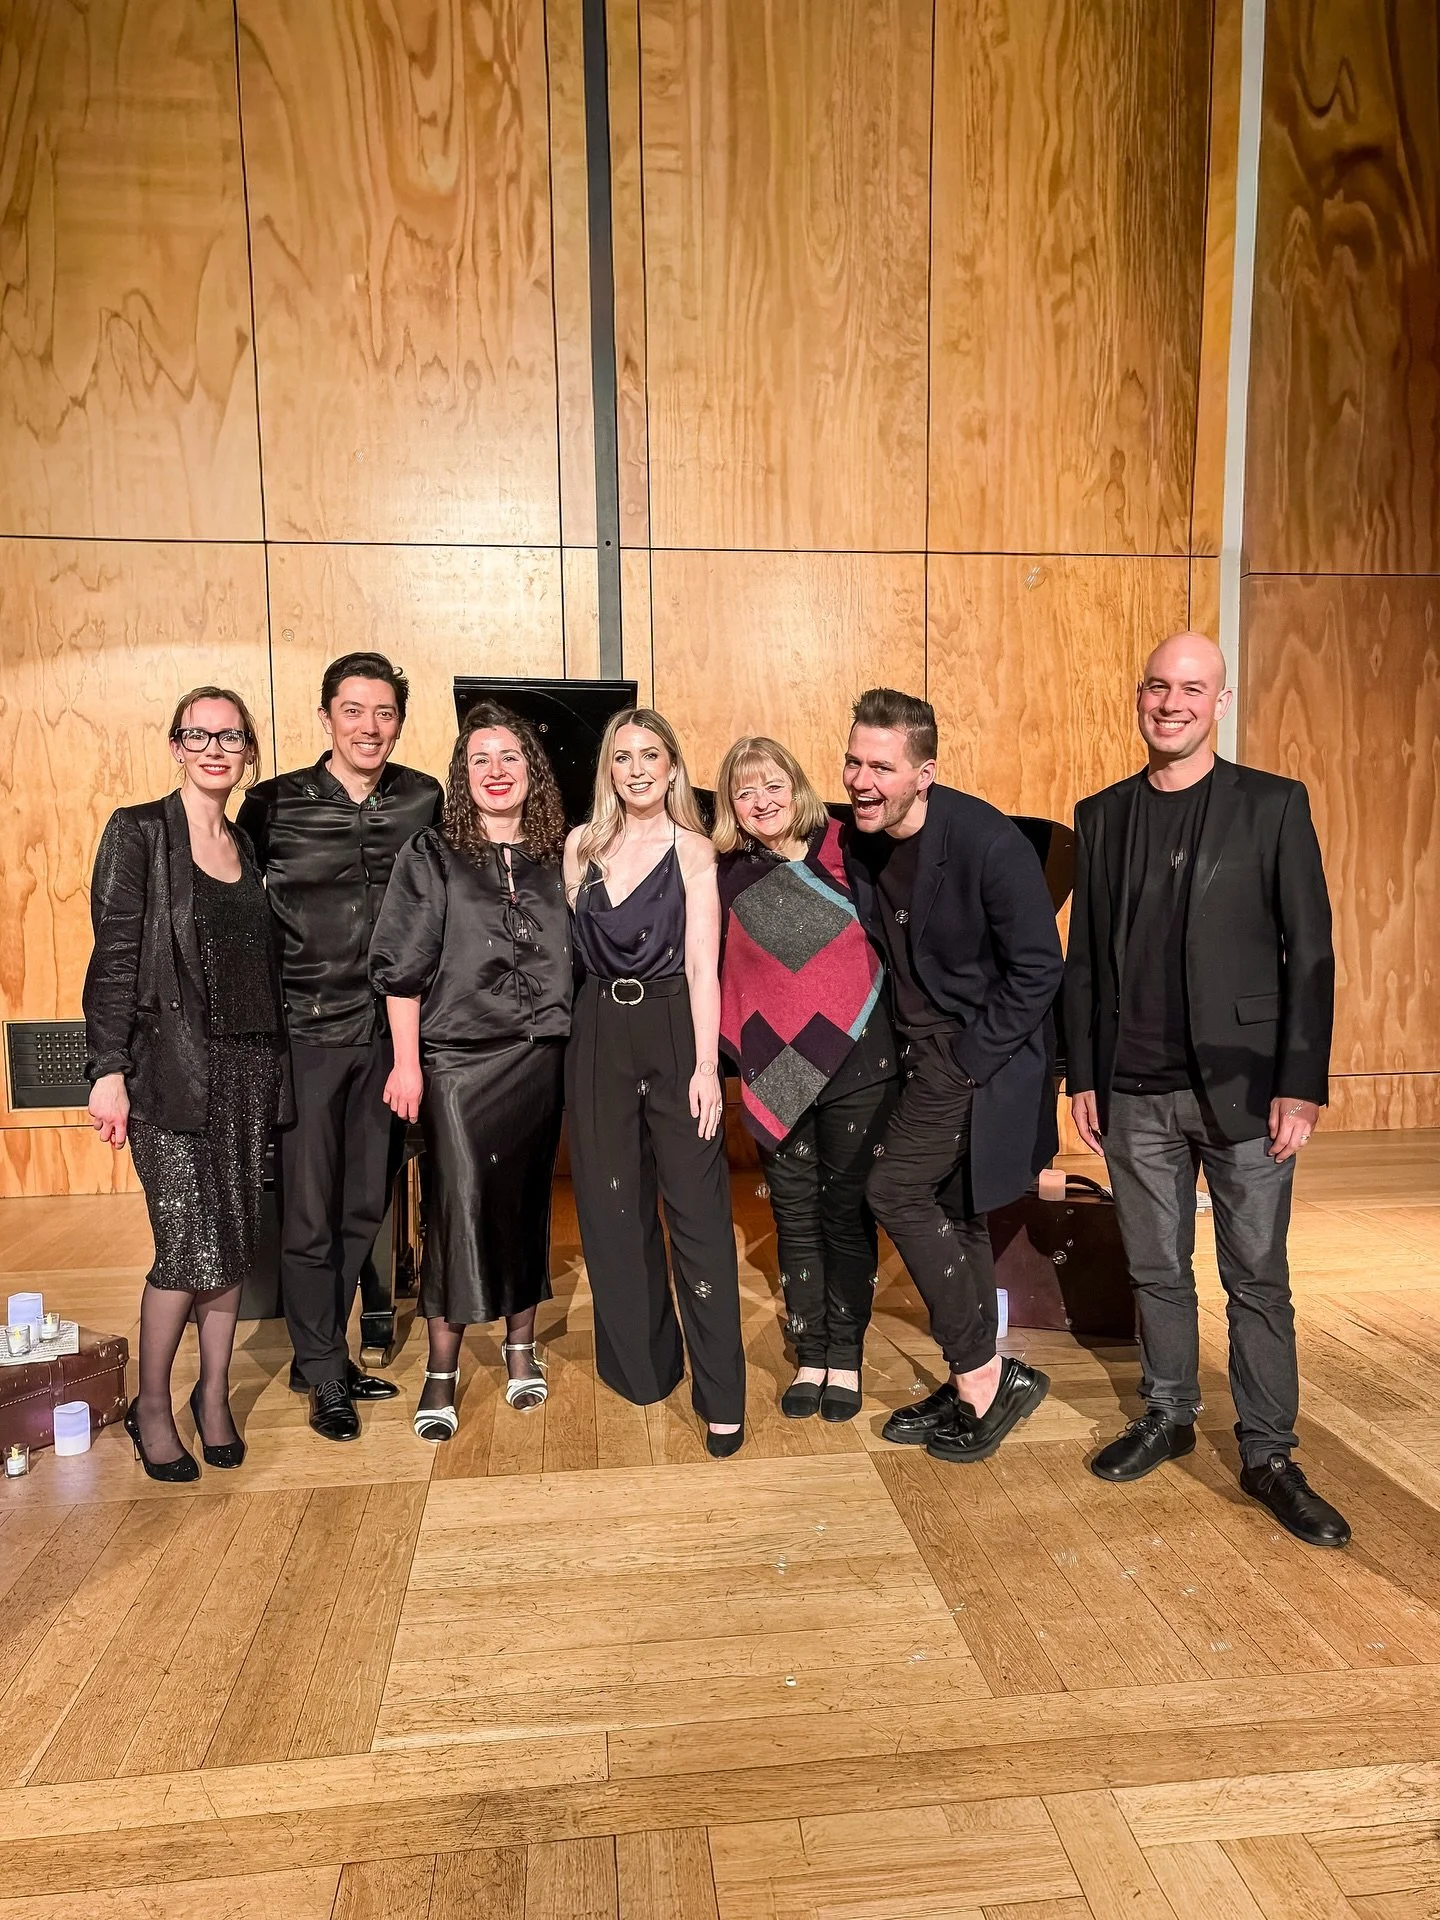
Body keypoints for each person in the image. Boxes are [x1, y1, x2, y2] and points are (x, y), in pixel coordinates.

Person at [1063, 631, 1350, 1547]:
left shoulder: (1273, 806)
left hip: (1247, 1089)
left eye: (1192, 689)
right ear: (1138, 696)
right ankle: (1170, 1411)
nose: (1171, 703)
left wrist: (1301, 1082)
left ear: (1220, 703)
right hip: (1133, 1088)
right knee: (1155, 1268)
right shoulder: (1102, 815)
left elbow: (1309, 954)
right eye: (1157, 686)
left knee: (1256, 1277)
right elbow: (1082, 963)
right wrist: (1082, 1073)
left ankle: (1268, 1452)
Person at [843, 688, 1063, 1463]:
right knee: (954, 1209)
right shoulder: (863, 838)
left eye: (881, 767)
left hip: (975, 1051)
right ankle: (987, 1372)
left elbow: (1040, 971)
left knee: (893, 1191)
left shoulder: (987, 843)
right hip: (913, 1047)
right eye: (853, 761)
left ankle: (980, 1376)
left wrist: (969, 1061)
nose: (861, 780)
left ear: (924, 772)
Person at [84, 688, 291, 1480]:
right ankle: (151, 1405)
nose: (214, 748)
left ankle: (213, 1398)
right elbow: (111, 961)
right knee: (185, 1243)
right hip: (169, 1068)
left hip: (247, 1068)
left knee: (231, 1239)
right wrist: (106, 1071)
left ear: (246, 751)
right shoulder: (139, 831)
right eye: (197, 735)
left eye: (229, 736)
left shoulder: (245, 843)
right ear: (175, 746)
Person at [237, 652, 442, 1442]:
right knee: (310, 1210)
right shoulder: (274, 803)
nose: (370, 726)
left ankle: (319, 1353)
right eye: (353, 710)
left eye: (384, 712)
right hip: (305, 1035)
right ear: (326, 716)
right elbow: (230, 902)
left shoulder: (422, 797)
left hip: (390, 1032)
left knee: (366, 1202)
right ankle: (323, 1368)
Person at [369, 703, 572, 1440]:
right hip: (456, 1061)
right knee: (455, 1209)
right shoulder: (431, 854)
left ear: (531, 773)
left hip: (540, 1058)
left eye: (510, 757)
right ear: (463, 774)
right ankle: (442, 1370)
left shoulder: (560, 855)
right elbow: (400, 971)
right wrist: (406, 1064)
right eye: (480, 759)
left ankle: (521, 1353)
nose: (495, 771)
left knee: (524, 1206)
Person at [563, 709, 746, 1457]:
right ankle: (644, 1368)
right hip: (598, 1030)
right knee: (611, 1213)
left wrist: (707, 1068)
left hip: (673, 1027)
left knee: (699, 1216)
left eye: (651, 755)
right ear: (608, 770)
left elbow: (704, 965)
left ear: (672, 766)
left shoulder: (695, 849)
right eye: (622, 757)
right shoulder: (581, 846)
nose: (637, 769)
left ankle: (722, 1396)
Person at [713, 736, 898, 1421]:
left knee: (845, 1216)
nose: (760, 802)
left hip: (860, 1063)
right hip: (776, 1066)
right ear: (731, 805)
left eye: (772, 786)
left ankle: (844, 1355)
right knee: (793, 1216)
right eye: (743, 791)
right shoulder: (727, 871)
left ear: (796, 785)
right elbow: (723, 972)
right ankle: (811, 1349)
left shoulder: (848, 846)